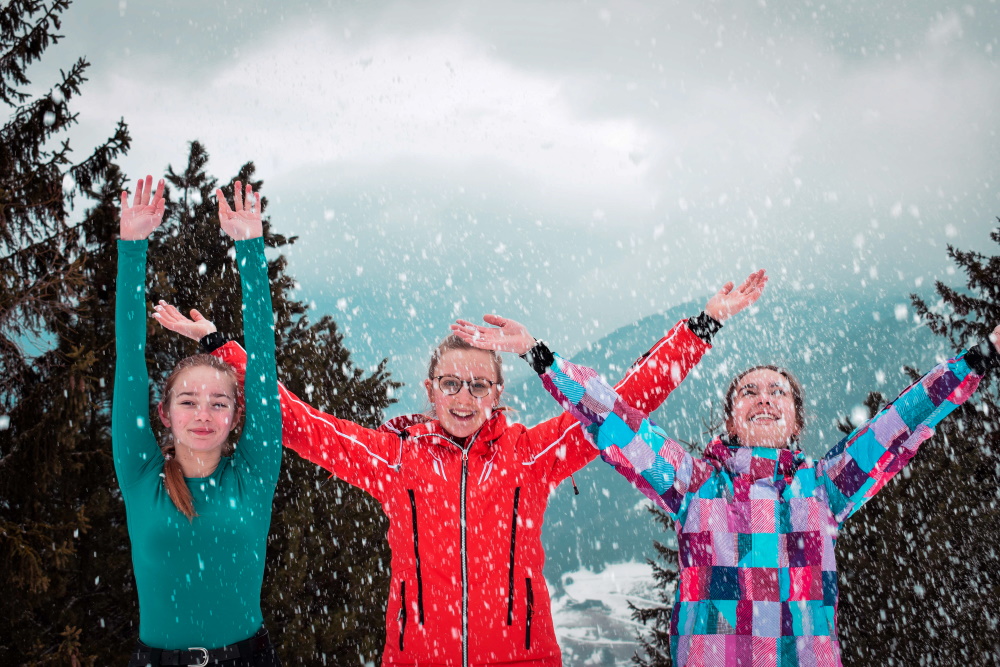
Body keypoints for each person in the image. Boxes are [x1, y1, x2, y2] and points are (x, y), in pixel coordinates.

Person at [151, 270, 767, 666]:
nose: (465, 398)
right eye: (452, 384)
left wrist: (702, 325)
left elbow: (622, 406)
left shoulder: (531, 455)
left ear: (498, 394)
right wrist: (220, 349)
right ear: (430, 390)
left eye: (479, 386)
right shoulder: (395, 459)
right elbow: (298, 421)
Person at [453, 312, 1000, 667]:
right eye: (749, 392)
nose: (764, 398)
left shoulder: (826, 487)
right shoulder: (695, 486)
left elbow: (902, 422)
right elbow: (615, 422)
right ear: (731, 421)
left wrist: (981, 357)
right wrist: (541, 357)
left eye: (777, 392)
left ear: (796, 419)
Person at [114, 176, 282, 666]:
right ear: (164, 413)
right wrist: (132, 247)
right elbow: (130, 360)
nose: (203, 414)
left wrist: (250, 248)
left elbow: (264, 361)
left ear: (237, 415)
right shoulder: (141, 475)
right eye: (188, 401)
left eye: (218, 402)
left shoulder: (253, 474)